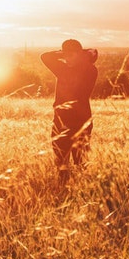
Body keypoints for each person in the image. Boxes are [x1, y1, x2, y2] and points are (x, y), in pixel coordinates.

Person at [41, 39, 98, 184]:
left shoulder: (90, 70)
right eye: (65, 56)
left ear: (80, 55)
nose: (67, 59)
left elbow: (87, 64)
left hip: (81, 121)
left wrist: (83, 54)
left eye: (71, 55)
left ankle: (83, 192)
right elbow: (45, 57)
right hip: (61, 121)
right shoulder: (62, 69)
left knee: (81, 162)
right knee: (61, 162)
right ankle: (63, 190)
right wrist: (64, 53)